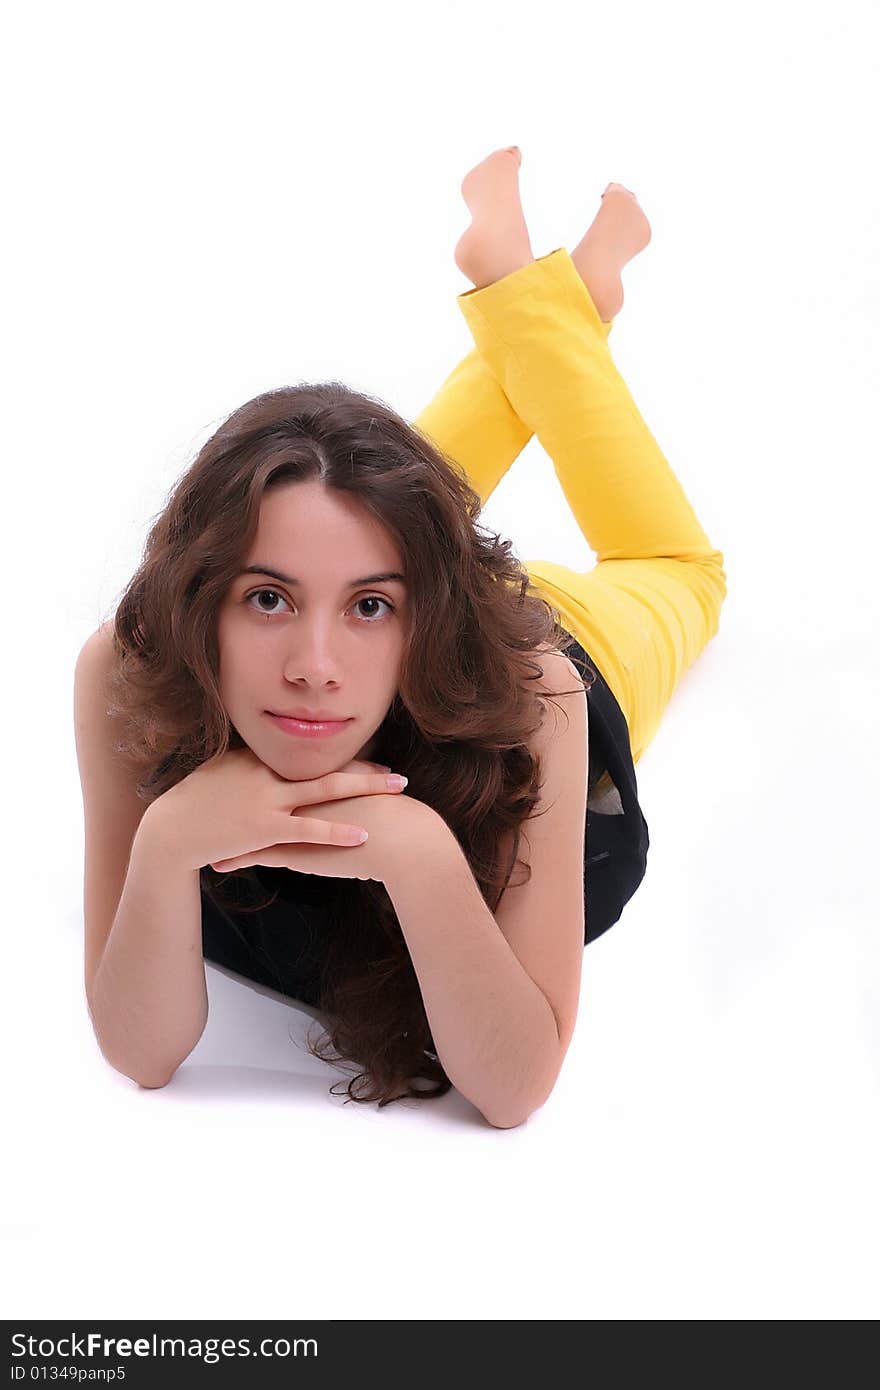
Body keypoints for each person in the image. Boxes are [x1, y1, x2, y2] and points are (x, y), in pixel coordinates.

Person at [74, 147, 726, 1124]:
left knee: (681, 571)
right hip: (416, 580)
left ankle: (550, 302)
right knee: (346, 507)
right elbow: (141, 1052)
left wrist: (417, 852)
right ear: (199, 596)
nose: (313, 670)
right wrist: (166, 843)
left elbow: (512, 1092)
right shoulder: (125, 672)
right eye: (264, 600)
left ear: (415, 609)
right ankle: (546, 303)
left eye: (368, 608)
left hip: (548, 640)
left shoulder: (535, 698)